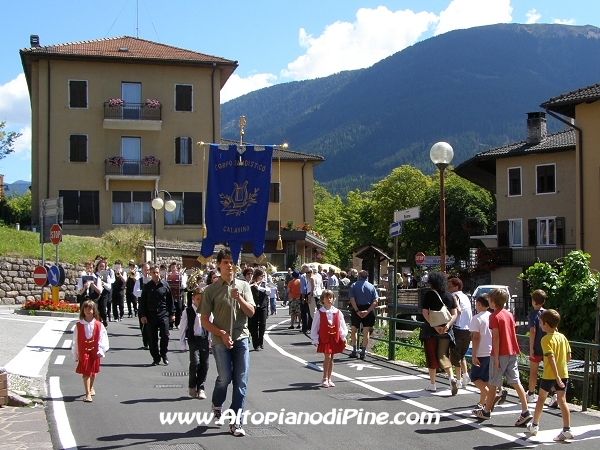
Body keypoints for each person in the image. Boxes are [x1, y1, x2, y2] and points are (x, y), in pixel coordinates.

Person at [199, 248, 255, 437]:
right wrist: (221, 333)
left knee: (241, 381)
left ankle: (236, 421)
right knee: (225, 377)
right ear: (219, 265)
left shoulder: (243, 286)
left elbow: (251, 313)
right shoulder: (211, 290)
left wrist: (238, 297)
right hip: (220, 339)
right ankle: (217, 403)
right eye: (226, 262)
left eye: (232, 262)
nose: (229, 265)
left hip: (241, 337)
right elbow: (204, 320)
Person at [473, 289, 532, 426]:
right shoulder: (509, 314)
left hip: (500, 353)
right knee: (516, 382)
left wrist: (496, 357)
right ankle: (525, 410)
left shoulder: (494, 316)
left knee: (493, 382)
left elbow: (496, 337)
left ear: (493, 301)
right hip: (512, 351)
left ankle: (487, 410)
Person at [526, 309, 574, 441]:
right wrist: (561, 369)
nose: (540, 325)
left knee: (541, 399)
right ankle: (567, 429)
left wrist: (556, 375)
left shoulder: (545, 339)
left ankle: (534, 425)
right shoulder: (563, 337)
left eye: (541, 323)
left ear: (546, 324)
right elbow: (569, 356)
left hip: (549, 374)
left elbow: (550, 357)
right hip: (564, 373)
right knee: (562, 400)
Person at [419, 270, 458, 394]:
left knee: (431, 355)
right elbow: (455, 313)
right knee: (443, 354)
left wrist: (434, 325)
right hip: (446, 331)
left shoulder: (429, 295)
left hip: (431, 330)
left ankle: (433, 384)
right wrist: (447, 326)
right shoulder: (449, 296)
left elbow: (425, 312)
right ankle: (451, 377)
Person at [71, 300, 109, 403]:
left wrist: (101, 349)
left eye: (90, 309)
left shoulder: (98, 324)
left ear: (94, 310)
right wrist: (75, 353)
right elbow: (75, 340)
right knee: (86, 371)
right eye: (86, 309)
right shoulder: (78, 325)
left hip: (95, 351)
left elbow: (102, 338)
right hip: (83, 352)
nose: (88, 311)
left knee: (93, 371)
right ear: (83, 311)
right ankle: (87, 394)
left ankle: (91, 387)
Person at [310, 290, 348, 388]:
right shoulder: (319, 312)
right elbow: (315, 326)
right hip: (325, 338)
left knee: (332, 358)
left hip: (334, 337)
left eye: (331, 297)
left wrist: (343, 336)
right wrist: (315, 338)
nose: (329, 299)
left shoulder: (337, 312)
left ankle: (329, 378)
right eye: (327, 298)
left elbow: (342, 325)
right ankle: (324, 378)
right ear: (323, 300)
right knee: (328, 357)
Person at [139, 265, 175, 366]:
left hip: (163, 313)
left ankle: (164, 354)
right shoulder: (147, 286)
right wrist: (143, 315)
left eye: (157, 272)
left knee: (165, 335)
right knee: (152, 337)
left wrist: (172, 313)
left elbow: (170, 300)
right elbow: (143, 303)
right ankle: (156, 357)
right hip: (151, 314)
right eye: (153, 273)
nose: (156, 274)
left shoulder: (165, 285)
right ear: (150, 274)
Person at [180, 280, 209, 400]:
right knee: (195, 363)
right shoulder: (187, 311)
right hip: (193, 340)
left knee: (205, 365)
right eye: (198, 299)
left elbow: (210, 325)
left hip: (204, 340)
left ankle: (201, 387)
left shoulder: (206, 310)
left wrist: (211, 341)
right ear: (193, 298)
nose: (200, 302)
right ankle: (192, 385)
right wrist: (182, 344)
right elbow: (182, 328)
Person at [448, 277, 473, 388]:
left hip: (458, 328)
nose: (448, 287)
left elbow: (457, 310)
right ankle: (466, 375)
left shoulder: (455, 296)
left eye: (450, 285)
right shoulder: (466, 296)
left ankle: (458, 380)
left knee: (455, 355)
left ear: (456, 286)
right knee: (462, 354)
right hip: (468, 329)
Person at [348, 270, 379, 360]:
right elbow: (375, 301)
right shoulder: (371, 286)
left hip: (357, 308)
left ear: (359, 276)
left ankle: (354, 350)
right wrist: (368, 311)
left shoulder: (354, 285)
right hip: (368, 309)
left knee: (354, 330)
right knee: (366, 331)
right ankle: (363, 351)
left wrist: (357, 311)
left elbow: (352, 299)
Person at [469, 294, 492, 410]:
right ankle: (481, 403)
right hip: (491, 351)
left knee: (475, 377)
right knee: (485, 379)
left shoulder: (476, 318)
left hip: (481, 351)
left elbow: (475, 337)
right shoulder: (492, 316)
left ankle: (491, 397)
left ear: (478, 304)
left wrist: (473, 354)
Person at [526, 289, 547, 403]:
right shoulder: (547, 313)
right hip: (547, 345)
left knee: (533, 371)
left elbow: (532, 330)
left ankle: (531, 393)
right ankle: (553, 393)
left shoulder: (533, 314)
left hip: (536, 346)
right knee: (549, 371)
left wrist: (531, 348)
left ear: (533, 301)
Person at [248, 268, 269, 351]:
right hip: (254, 307)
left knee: (263, 324)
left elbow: (268, 292)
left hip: (263, 306)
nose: (262, 277)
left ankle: (261, 341)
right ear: (256, 276)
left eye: (263, 275)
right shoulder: (251, 283)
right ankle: (255, 344)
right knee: (254, 325)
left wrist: (259, 288)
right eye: (261, 276)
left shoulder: (264, 283)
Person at [134, 263, 151, 349]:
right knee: (143, 325)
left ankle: (151, 341)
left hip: (151, 305)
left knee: (151, 325)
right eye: (145, 269)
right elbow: (135, 292)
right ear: (142, 270)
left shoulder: (152, 280)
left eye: (148, 269)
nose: (146, 271)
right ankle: (146, 342)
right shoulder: (139, 280)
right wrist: (144, 292)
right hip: (142, 305)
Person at [94, 259, 115, 328]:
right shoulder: (94, 275)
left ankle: (104, 322)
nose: (102, 268)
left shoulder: (107, 275)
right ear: (97, 267)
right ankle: (97, 323)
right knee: (96, 309)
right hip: (96, 294)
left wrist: (104, 284)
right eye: (100, 266)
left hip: (104, 294)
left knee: (103, 309)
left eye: (103, 266)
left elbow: (109, 287)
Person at [299, 264, 311, 332]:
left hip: (305, 294)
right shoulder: (312, 276)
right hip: (311, 294)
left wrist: (303, 297)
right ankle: (310, 326)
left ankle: (305, 327)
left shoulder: (303, 276)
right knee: (310, 311)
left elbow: (303, 288)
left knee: (304, 311)